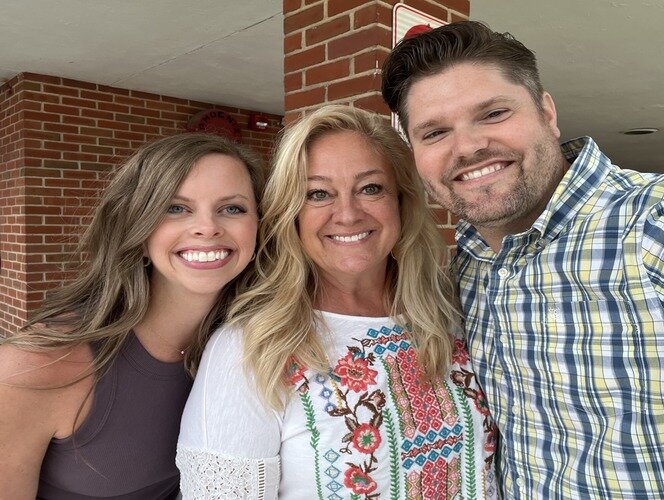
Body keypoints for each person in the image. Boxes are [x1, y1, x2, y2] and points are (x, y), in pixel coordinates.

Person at [380, 19, 664, 498]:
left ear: (547, 113)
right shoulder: (469, 263)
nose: (468, 147)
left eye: (492, 113)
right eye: (434, 132)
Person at [176, 105, 498, 499]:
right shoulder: (249, 348)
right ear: (290, 213)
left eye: (370, 188)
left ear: (401, 201)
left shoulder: (452, 312)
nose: (346, 214)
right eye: (318, 194)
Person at [0, 133, 264, 499]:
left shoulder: (253, 345)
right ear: (138, 229)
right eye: (175, 207)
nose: (208, 227)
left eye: (232, 208)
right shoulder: (40, 362)